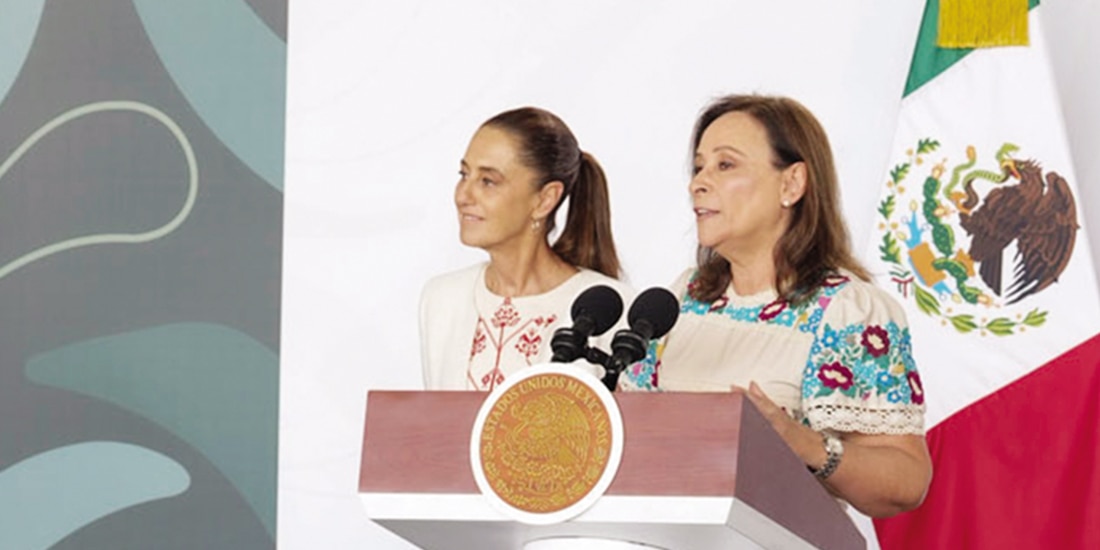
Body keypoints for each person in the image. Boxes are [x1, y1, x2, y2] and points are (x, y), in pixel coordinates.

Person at [620, 94, 932, 517]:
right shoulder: (678, 300)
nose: (699, 182)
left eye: (725, 165)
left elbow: (905, 481)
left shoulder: (848, 312)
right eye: (698, 167)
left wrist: (800, 443)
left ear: (792, 184)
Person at [420, 107, 631, 391]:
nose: (463, 195)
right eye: (464, 174)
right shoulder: (442, 299)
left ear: (545, 199)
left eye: (488, 181)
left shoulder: (609, 308)